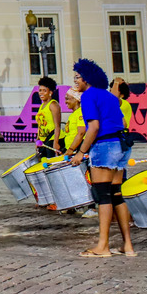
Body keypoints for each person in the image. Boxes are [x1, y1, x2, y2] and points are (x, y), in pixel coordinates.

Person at [69, 58, 135, 258]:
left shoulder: (89, 96)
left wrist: (81, 152)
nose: (75, 81)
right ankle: (127, 245)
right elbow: (123, 122)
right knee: (116, 194)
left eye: (78, 77)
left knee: (103, 195)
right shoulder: (109, 96)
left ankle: (103, 246)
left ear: (87, 78)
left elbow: (94, 127)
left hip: (105, 145)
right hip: (121, 145)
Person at [61, 89, 96, 219]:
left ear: (77, 100)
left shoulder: (81, 112)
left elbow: (81, 133)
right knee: (76, 178)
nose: (66, 101)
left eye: (68, 98)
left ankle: (92, 207)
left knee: (86, 177)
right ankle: (78, 204)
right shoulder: (73, 114)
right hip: (73, 150)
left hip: (80, 149)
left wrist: (72, 149)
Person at [110, 78, 134, 169]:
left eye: (114, 90)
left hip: (119, 139)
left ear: (122, 95)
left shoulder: (123, 103)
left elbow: (113, 100)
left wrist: (116, 83)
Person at [35, 77, 62, 160]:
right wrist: (37, 140)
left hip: (52, 139)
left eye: (44, 90)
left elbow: (57, 126)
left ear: (50, 92)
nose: (41, 93)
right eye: (40, 90)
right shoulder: (41, 106)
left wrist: (56, 142)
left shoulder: (53, 105)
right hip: (43, 141)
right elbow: (40, 125)